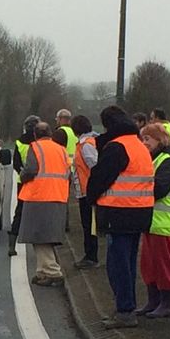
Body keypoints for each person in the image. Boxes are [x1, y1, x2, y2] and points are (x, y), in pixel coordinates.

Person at [86, 105, 154, 329]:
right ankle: (128, 306)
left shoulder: (117, 147)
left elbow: (99, 178)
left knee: (118, 265)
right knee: (128, 263)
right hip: (141, 212)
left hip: (119, 213)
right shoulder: (139, 145)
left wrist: (91, 198)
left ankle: (125, 310)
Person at [136, 123, 170, 318]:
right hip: (152, 222)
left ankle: (166, 303)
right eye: (143, 139)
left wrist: (139, 187)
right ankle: (153, 300)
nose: (144, 143)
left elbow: (160, 188)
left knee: (164, 265)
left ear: (160, 139)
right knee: (149, 265)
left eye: (147, 139)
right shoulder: (155, 159)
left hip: (164, 223)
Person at [18, 122, 70, 287]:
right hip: (58, 195)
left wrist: (22, 176)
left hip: (39, 196)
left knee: (40, 236)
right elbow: (68, 170)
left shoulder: (36, 147)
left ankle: (52, 271)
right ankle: (42, 271)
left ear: (35, 135)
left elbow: (31, 170)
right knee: (45, 235)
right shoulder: (60, 149)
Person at [9, 115, 41, 257]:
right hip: (39, 183)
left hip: (23, 183)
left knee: (20, 213)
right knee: (40, 213)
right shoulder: (40, 143)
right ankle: (40, 246)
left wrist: (23, 174)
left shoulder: (19, 142)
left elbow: (15, 163)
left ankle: (11, 246)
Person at [71, 115, 99, 269]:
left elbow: (94, 166)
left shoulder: (86, 145)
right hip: (85, 189)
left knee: (89, 226)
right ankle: (89, 255)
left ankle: (91, 257)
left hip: (88, 191)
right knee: (88, 225)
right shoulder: (87, 143)